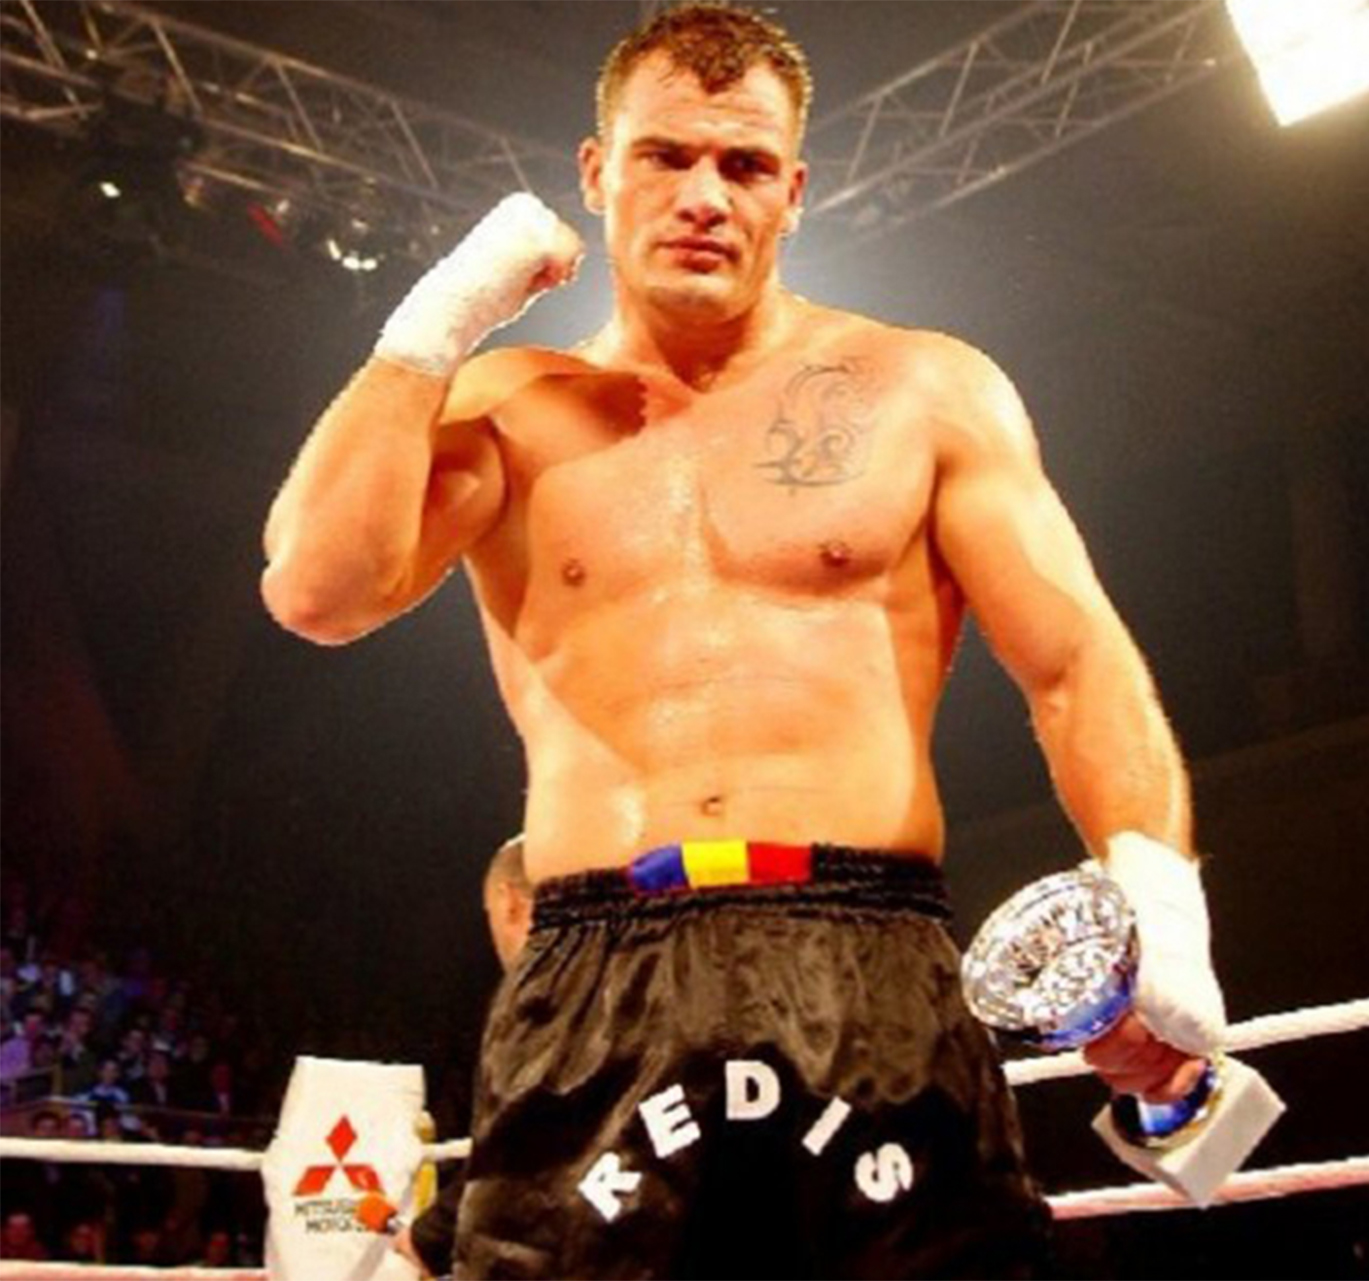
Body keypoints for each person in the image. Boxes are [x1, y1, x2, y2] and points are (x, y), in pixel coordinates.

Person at [261, 4, 1228, 1276]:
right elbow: (318, 591)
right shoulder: (508, 411)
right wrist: (437, 322)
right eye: (665, 156)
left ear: (794, 192)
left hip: (867, 958)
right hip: (596, 968)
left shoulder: (923, 390)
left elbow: (1075, 664)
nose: (704, 197)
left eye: (745, 165)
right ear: (596, 172)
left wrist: (1160, 904)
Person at [393, 834, 535, 1279]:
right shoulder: (621, 967)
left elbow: (525, 1133)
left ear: (509, 902)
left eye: (490, 915)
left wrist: (433, 1234)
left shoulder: (540, 991)